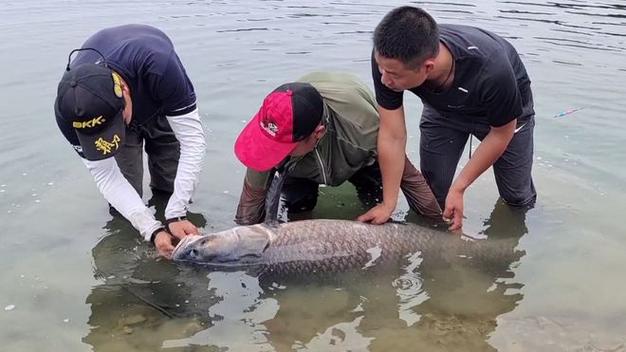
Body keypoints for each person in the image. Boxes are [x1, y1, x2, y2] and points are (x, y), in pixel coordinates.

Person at [359, 6, 536, 230]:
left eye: (392, 75)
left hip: (505, 119)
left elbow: (501, 133)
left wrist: (460, 187)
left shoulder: (492, 70)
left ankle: (518, 237)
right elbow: (392, 135)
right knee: (432, 194)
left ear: (427, 68)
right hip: (442, 111)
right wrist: (388, 203)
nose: (384, 80)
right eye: (381, 69)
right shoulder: (388, 61)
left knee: (516, 197)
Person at [54, 25, 206, 258]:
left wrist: (176, 212)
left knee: (171, 180)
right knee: (125, 197)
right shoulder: (69, 111)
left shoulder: (160, 66)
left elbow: (192, 141)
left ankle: (174, 215)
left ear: (124, 90)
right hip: (117, 106)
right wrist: (152, 229)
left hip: (156, 95)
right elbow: (105, 174)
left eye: (114, 126)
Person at [233, 71, 440, 225]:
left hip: (358, 155)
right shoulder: (271, 125)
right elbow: (252, 199)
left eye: (281, 148)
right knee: (297, 208)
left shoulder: (363, 128)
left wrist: (438, 226)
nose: (272, 153)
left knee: (374, 202)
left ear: (318, 133)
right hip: (302, 157)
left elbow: (409, 178)